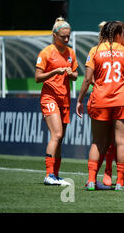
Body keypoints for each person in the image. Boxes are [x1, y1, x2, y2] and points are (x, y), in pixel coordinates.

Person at [76, 20, 124, 191]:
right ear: (118, 34)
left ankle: (90, 181)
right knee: (121, 142)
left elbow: (88, 79)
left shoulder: (94, 51)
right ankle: (120, 183)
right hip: (121, 101)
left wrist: (80, 100)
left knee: (97, 141)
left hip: (99, 101)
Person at [35, 17, 78, 186]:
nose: (66, 40)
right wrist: (55, 72)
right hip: (50, 97)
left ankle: (55, 174)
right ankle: (48, 175)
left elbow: (75, 76)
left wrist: (69, 73)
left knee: (60, 138)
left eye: (68, 36)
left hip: (64, 99)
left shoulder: (71, 53)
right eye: (63, 37)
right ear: (54, 36)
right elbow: (38, 78)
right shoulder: (46, 53)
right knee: (57, 134)